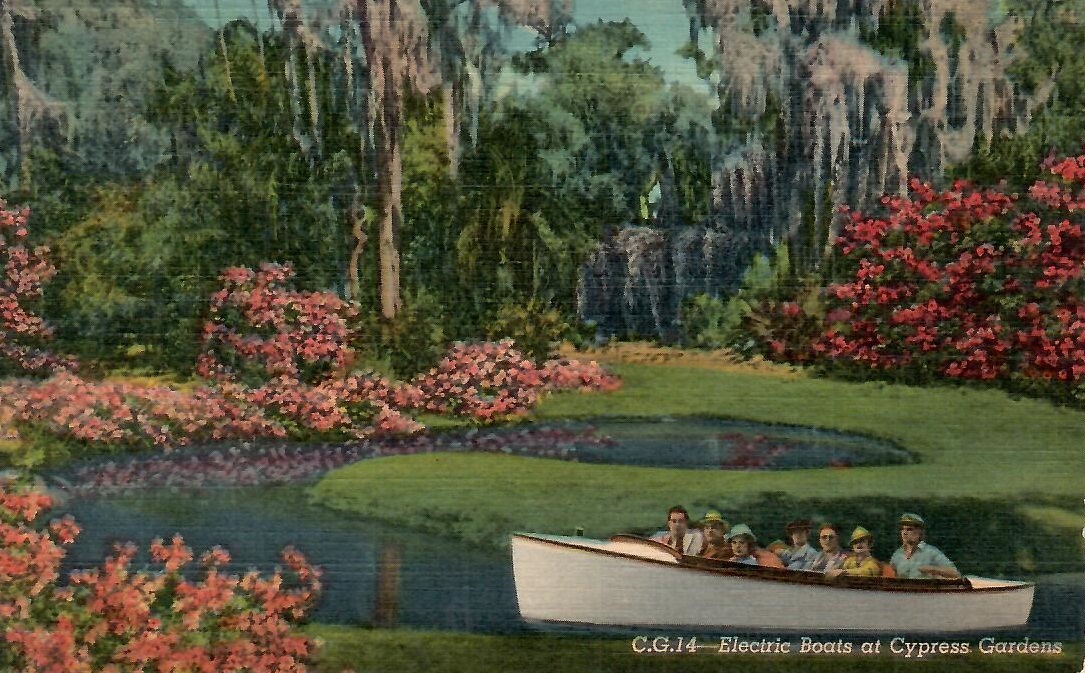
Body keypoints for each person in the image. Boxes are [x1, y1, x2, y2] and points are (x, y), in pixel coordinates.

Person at [890, 513, 960, 579]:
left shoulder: (931, 552)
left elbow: (955, 573)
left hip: (925, 590)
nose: (904, 532)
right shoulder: (897, 555)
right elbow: (891, 576)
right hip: (903, 591)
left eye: (909, 529)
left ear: (919, 532)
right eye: (902, 529)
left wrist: (932, 569)